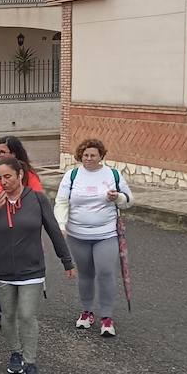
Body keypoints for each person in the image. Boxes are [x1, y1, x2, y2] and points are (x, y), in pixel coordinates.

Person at [0, 155, 74, 374]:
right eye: (0, 178)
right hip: (2, 271)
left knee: (26, 315)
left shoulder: (37, 199)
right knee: (8, 316)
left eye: (8, 176)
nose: (4, 182)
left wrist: (67, 261)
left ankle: (30, 363)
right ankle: (16, 352)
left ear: (20, 174)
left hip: (32, 270)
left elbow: (53, 230)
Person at [55, 138, 133, 338]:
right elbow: (61, 202)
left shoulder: (113, 174)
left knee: (105, 272)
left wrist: (118, 197)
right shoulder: (72, 175)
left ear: (101, 156)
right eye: (85, 155)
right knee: (85, 274)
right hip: (77, 235)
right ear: (80, 156)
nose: (88, 158)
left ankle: (106, 317)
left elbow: (128, 200)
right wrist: (61, 225)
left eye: (93, 155)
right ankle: (87, 311)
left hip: (106, 234)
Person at [0, 136, 44, 329]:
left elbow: (37, 197)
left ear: (14, 154)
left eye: (3, 152)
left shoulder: (29, 174)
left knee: (22, 267)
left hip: (22, 227)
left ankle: (19, 307)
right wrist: (8, 180)